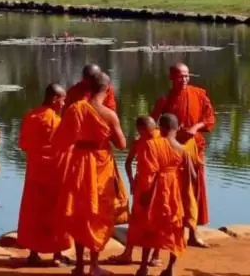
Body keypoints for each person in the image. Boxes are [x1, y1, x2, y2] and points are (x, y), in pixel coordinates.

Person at [53, 73, 127, 276]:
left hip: (78, 163)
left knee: (80, 212)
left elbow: (59, 140)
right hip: (101, 164)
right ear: (108, 89)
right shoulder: (109, 114)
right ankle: (93, 266)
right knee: (98, 214)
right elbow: (122, 144)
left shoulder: (75, 108)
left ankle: (79, 266)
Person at [151, 63, 215, 247]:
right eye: (180, 76)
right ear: (171, 78)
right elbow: (152, 122)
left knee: (193, 190)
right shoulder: (165, 99)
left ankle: (193, 233)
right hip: (172, 151)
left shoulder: (199, 94)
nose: (184, 80)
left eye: (187, 76)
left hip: (193, 148)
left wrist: (195, 127)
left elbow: (210, 118)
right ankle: (171, 234)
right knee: (173, 192)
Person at [126, 114, 196, 276]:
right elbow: (192, 175)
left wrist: (144, 195)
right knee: (176, 229)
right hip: (175, 192)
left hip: (157, 191)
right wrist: (185, 193)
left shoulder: (153, 145)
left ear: (161, 128)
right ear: (178, 128)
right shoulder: (183, 149)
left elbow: (148, 173)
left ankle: (143, 268)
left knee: (150, 227)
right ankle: (170, 268)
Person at [17, 83, 72, 266]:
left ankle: (33, 254)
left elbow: (23, 145)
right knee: (55, 211)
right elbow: (66, 147)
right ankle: (57, 255)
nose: (64, 104)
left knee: (34, 212)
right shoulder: (56, 122)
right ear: (55, 99)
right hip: (55, 174)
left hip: (35, 173)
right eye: (63, 100)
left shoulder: (31, 116)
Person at [112, 116, 160, 267]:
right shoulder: (139, 143)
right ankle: (128, 253)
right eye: (149, 130)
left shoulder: (162, 140)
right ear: (141, 130)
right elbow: (128, 162)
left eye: (154, 129)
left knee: (157, 220)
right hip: (141, 185)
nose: (153, 132)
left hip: (158, 186)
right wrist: (131, 181)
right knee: (135, 221)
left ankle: (155, 255)